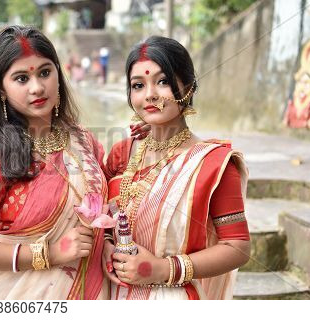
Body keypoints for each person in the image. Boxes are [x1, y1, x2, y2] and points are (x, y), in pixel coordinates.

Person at [0, 25, 114, 300]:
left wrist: (108, 243)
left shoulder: (84, 139)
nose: (37, 87)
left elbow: (102, 208)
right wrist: (48, 254)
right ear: (1, 89)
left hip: (93, 291)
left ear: (58, 75)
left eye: (45, 72)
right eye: (21, 78)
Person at [102, 36, 251, 300]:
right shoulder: (121, 154)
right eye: (138, 85)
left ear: (189, 86)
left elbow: (237, 247)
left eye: (163, 82)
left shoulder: (213, 164)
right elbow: (100, 217)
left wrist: (162, 269)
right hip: (113, 293)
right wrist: (105, 245)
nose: (150, 94)